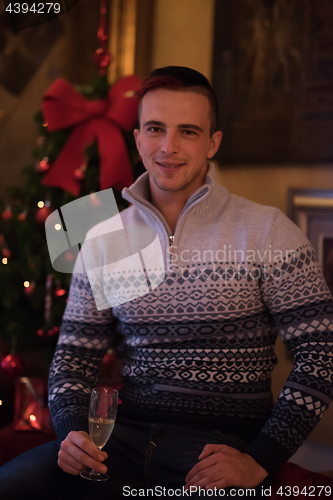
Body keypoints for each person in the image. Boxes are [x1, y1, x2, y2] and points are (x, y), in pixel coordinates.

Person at [0, 66, 332, 499]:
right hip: (119, 440)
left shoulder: (267, 231)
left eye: (188, 132)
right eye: (155, 128)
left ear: (213, 143)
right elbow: (73, 358)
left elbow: (321, 352)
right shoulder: (103, 238)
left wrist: (260, 458)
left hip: (218, 448)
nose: (168, 147)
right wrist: (73, 433)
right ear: (138, 138)